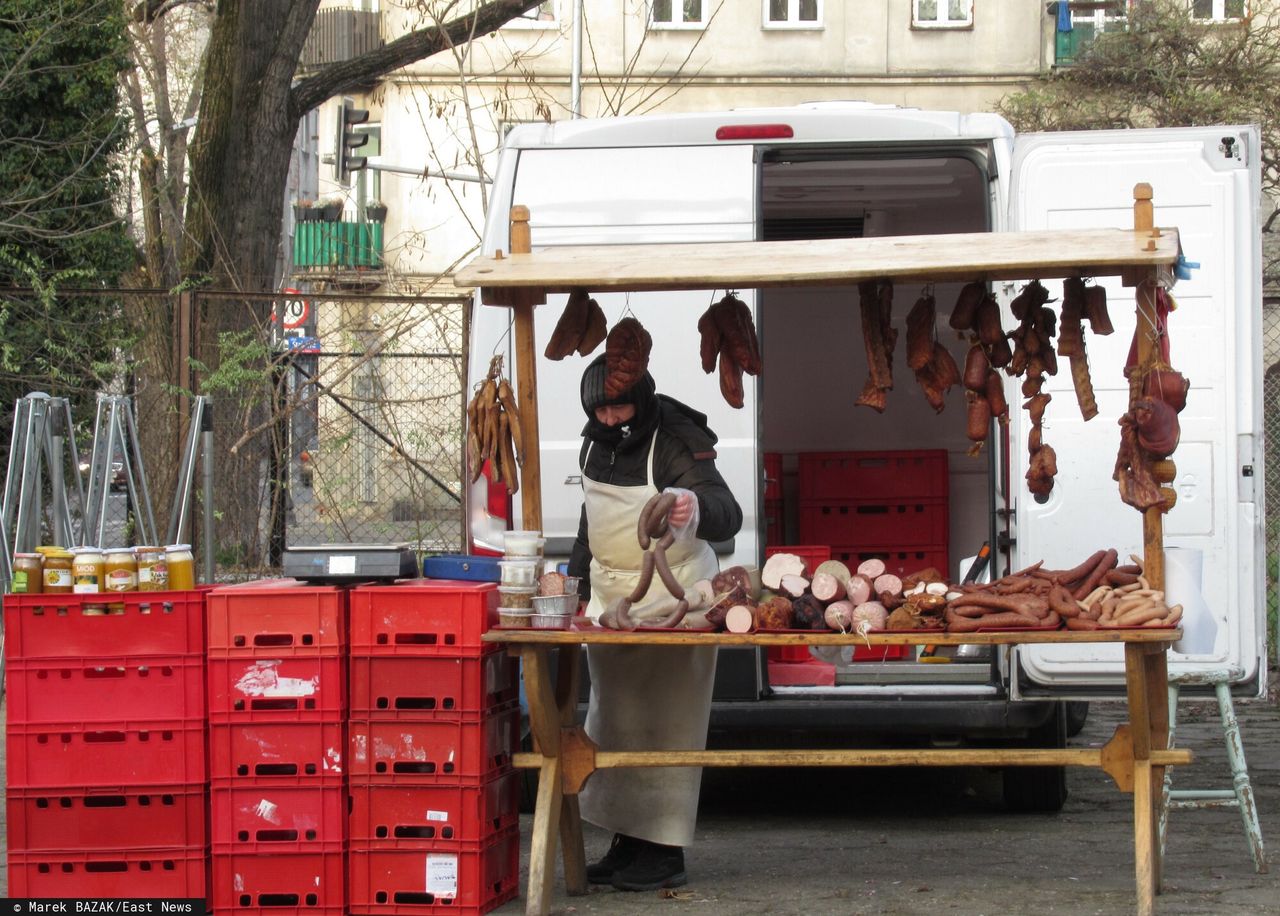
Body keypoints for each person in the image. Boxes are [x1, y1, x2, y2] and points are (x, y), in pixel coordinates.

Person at [567, 353, 743, 892]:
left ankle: (664, 853)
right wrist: (574, 585)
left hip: (675, 605)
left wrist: (692, 504)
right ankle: (627, 843)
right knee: (615, 726)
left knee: (668, 730)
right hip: (612, 608)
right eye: (601, 409)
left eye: (620, 406)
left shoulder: (671, 440)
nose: (612, 418)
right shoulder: (595, 441)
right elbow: (588, 522)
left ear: (640, 400)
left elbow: (726, 511)